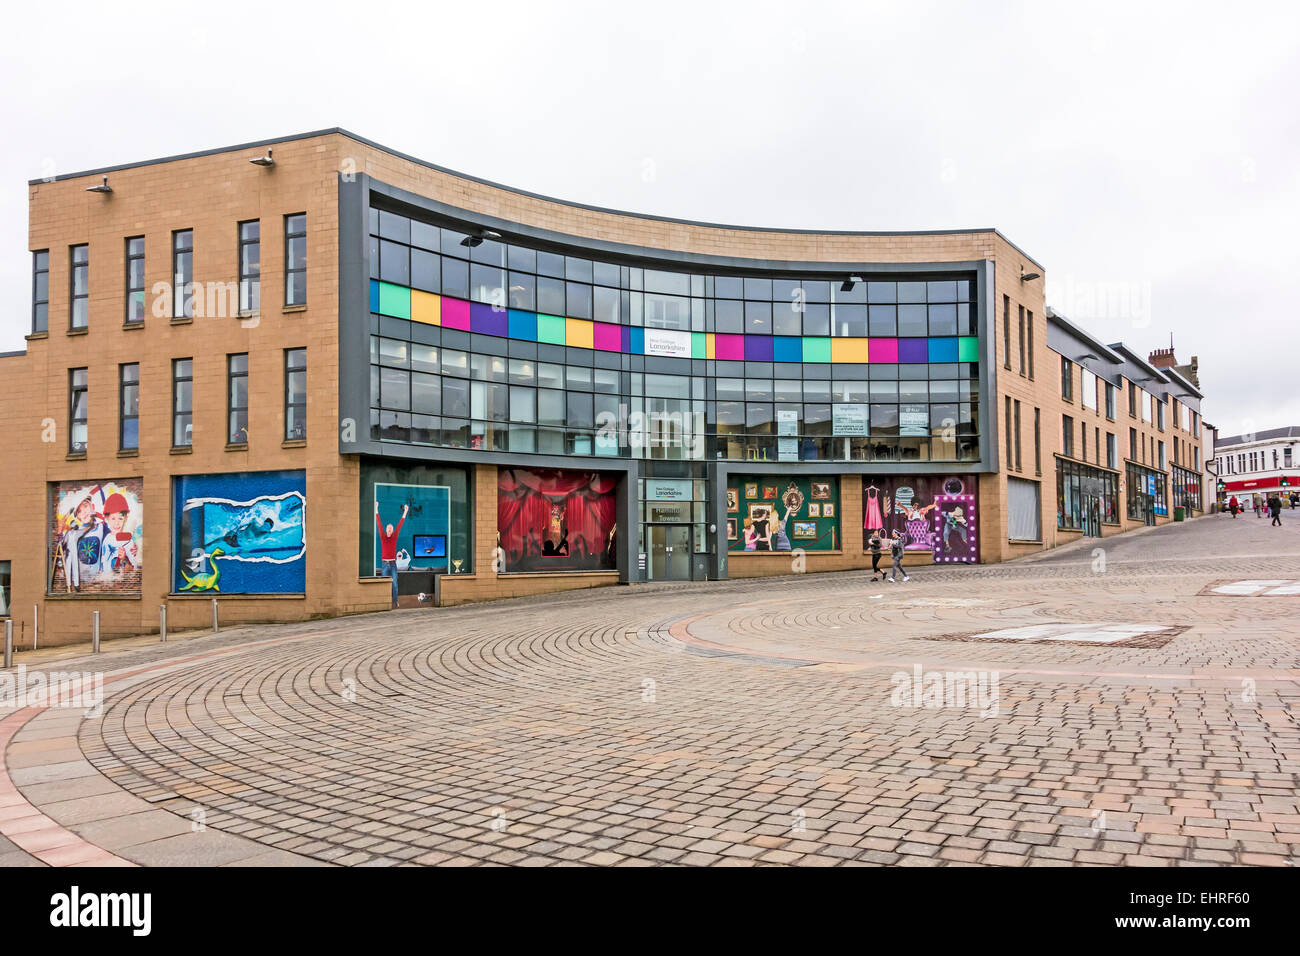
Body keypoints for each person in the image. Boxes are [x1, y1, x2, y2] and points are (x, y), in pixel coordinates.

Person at [375, 501, 408, 607]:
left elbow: (400, 524)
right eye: (388, 529)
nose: (389, 530)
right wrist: (376, 508)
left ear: (393, 530)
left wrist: (405, 511)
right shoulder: (383, 537)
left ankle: (395, 601)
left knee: (394, 584)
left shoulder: (394, 536)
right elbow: (379, 523)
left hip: (393, 563)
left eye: (391, 529)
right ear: (386, 530)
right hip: (385, 563)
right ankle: (384, 602)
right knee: (384, 584)